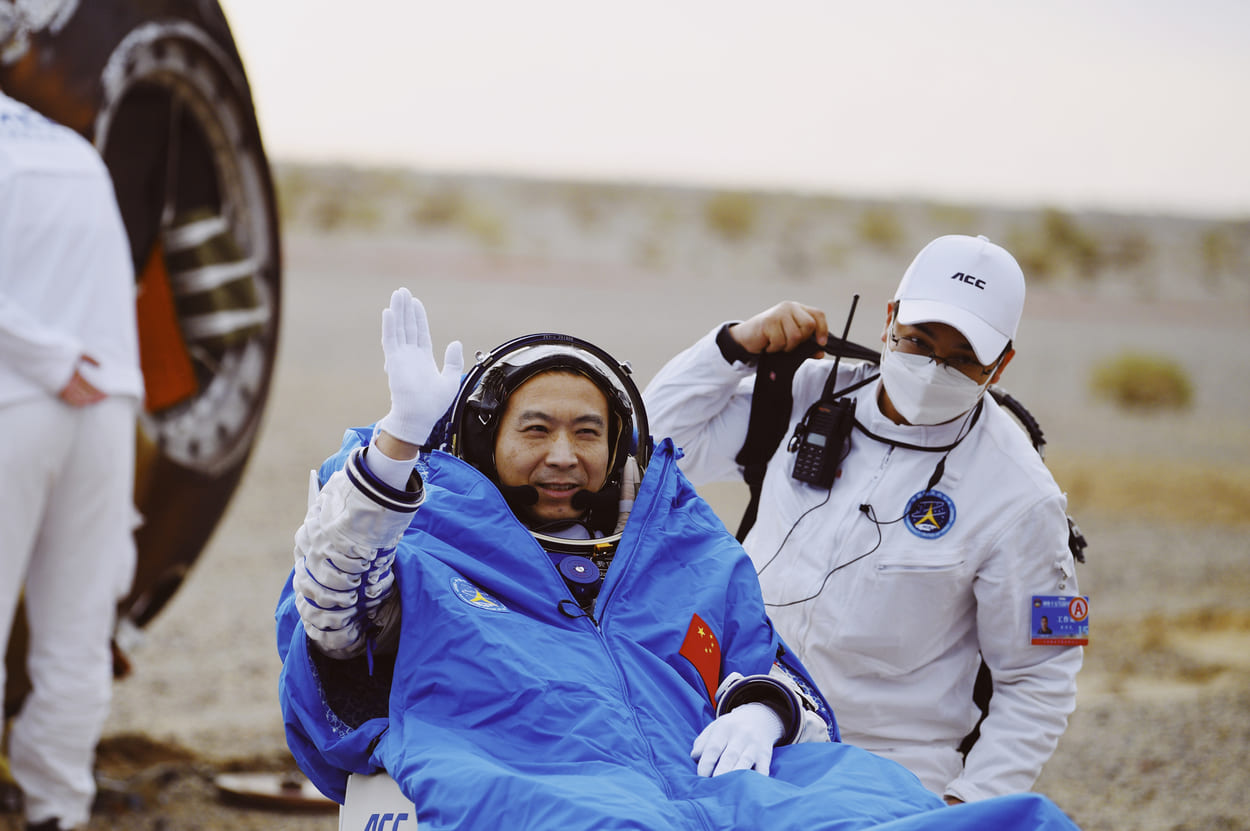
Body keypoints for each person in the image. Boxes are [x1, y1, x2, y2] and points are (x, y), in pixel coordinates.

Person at [275, 288, 1082, 830]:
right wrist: (394, 448)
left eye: (588, 432)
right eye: (535, 429)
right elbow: (331, 608)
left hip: (720, 785)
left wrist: (764, 705)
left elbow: (761, 658)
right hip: (530, 779)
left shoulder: (674, 547)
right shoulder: (419, 537)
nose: (563, 455)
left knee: (1001, 822)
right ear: (487, 434)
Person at [643, 234, 1084, 804]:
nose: (931, 371)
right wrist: (732, 346)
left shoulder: (1023, 497)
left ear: (1001, 364)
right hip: (732, 718)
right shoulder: (801, 398)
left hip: (884, 771)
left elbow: (1040, 679)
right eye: (919, 342)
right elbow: (645, 442)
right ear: (888, 321)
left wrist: (966, 805)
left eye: (962, 359)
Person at [0, 91, 144, 830]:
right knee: (78, 629)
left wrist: (47, 360)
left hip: (16, 398)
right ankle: (58, 807)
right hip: (107, 401)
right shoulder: (71, 150)